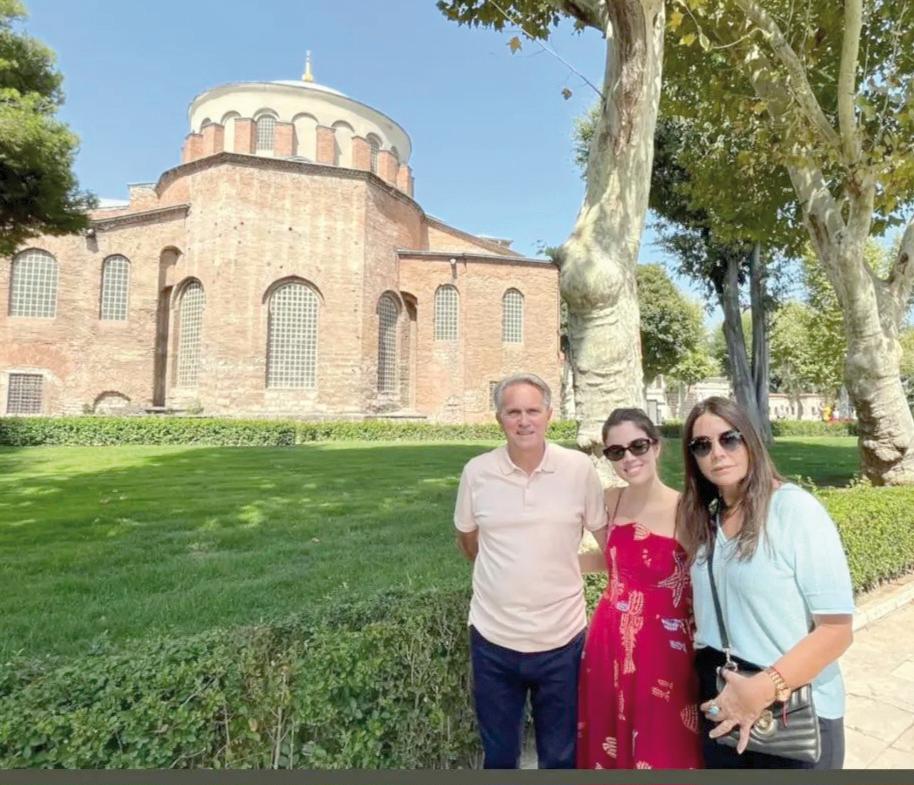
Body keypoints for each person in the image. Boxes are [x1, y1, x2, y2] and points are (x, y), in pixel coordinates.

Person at [677, 396, 854, 769]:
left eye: (730, 438)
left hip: (790, 708)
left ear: (751, 440)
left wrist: (762, 688)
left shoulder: (794, 511)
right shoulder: (708, 522)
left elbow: (836, 630)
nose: (717, 453)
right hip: (722, 700)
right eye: (702, 445)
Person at [453, 372, 605, 768]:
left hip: (563, 639)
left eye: (533, 411)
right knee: (500, 754)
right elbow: (468, 541)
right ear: (499, 418)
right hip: (493, 639)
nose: (524, 421)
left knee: (560, 755)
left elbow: (607, 541)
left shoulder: (577, 469)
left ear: (549, 415)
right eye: (513, 412)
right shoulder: (477, 472)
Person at [577, 408, 703, 769]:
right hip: (607, 643)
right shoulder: (610, 500)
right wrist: (553, 568)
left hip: (665, 649)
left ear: (657, 446)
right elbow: (618, 560)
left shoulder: (687, 509)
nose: (629, 458)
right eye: (616, 452)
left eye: (637, 446)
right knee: (608, 741)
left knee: (663, 744)